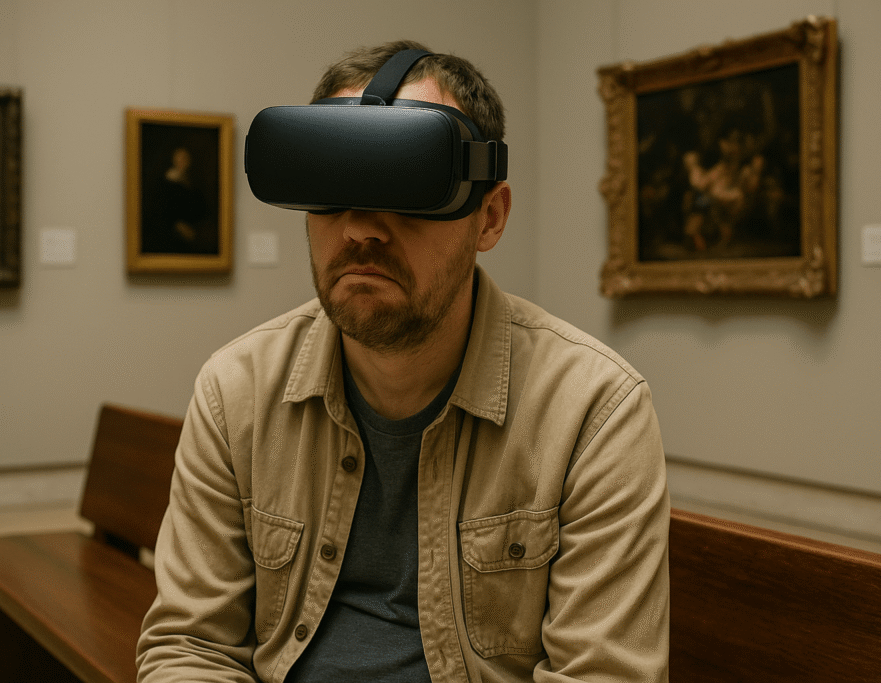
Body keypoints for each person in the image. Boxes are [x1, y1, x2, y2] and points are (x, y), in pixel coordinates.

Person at [136, 40, 669, 683]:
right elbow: (190, 647)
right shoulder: (237, 391)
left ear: (489, 217)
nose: (360, 228)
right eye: (332, 186)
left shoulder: (592, 412)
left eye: (409, 183)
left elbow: (602, 674)